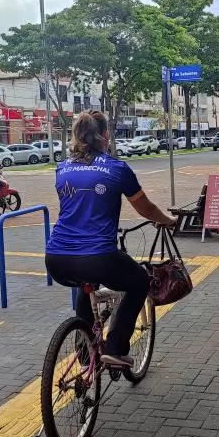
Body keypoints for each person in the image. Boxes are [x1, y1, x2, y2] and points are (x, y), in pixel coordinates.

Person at [44, 111, 176, 368]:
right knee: (139, 282)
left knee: (86, 285)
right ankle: (115, 347)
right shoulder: (117, 168)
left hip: (56, 258)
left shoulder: (62, 169)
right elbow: (145, 208)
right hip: (99, 256)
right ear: (105, 136)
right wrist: (167, 220)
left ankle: (84, 352)